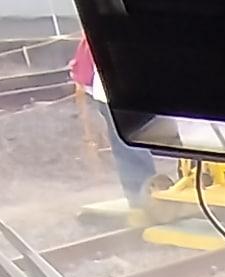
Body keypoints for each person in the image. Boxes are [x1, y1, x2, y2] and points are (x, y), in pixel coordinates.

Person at [69, 36, 162, 217]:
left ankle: (139, 196)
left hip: (110, 90)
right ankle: (143, 197)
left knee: (125, 144)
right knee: (131, 143)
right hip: (124, 88)